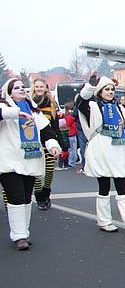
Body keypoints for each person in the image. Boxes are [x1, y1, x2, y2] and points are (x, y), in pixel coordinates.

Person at [77, 76, 125, 233]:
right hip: (101, 151)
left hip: (118, 151)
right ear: (99, 91)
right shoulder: (93, 107)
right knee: (104, 187)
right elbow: (80, 103)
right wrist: (90, 86)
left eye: (112, 89)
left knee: (122, 187)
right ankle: (104, 221)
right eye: (106, 89)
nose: (110, 92)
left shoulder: (120, 109)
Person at [0, 78, 62, 250]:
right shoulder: (4, 108)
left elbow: (46, 131)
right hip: (9, 161)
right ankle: (18, 236)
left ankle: (23, 233)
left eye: (22, 87)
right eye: (16, 87)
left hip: (31, 160)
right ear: (9, 92)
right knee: (16, 197)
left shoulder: (34, 111)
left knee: (27, 198)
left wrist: (52, 145)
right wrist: (15, 113)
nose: (21, 89)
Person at [31, 78, 68, 210]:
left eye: (41, 86)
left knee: (49, 169)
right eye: (37, 86)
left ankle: (46, 192)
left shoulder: (52, 104)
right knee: (36, 171)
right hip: (34, 140)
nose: (39, 89)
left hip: (49, 139)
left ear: (46, 88)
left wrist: (63, 145)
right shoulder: (29, 103)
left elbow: (55, 126)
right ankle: (39, 197)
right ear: (34, 88)